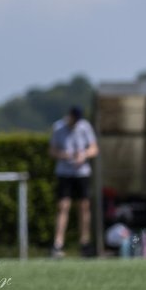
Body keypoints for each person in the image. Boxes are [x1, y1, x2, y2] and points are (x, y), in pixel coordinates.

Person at [49, 105, 98, 259]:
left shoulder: (85, 127)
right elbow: (52, 150)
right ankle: (58, 243)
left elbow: (94, 148)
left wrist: (83, 156)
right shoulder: (58, 127)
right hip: (65, 172)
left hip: (81, 172)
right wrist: (65, 155)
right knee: (63, 206)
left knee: (84, 206)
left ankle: (84, 242)